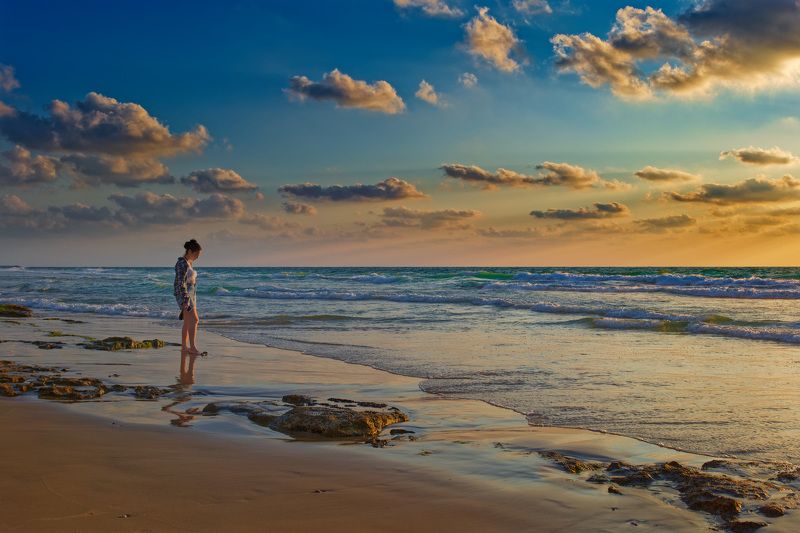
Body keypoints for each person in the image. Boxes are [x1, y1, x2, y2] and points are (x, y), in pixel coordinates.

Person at [174, 239, 204, 355]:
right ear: (190, 251)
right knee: (194, 320)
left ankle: (184, 347)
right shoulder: (182, 263)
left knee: (187, 321)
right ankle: (192, 347)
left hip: (191, 293)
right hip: (185, 294)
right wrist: (185, 299)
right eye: (196, 254)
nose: (197, 257)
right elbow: (180, 282)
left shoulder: (188, 262)